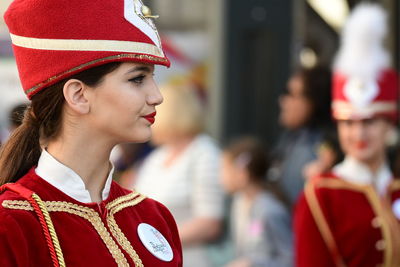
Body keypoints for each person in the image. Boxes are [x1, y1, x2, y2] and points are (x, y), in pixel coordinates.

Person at [0, 0, 183, 266]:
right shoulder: (13, 225)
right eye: (137, 79)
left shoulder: (153, 216)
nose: (156, 96)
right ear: (78, 95)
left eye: (152, 78)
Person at [294, 4, 400, 267]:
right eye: (348, 123)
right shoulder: (322, 194)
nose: (358, 133)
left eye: (369, 122)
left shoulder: (396, 189)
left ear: (389, 125)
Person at [135, 81, 225, 267]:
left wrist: (156, 242)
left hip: (191, 259)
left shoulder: (204, 153)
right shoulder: (158, 156)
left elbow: (210, 222)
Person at [221, 137, 293, 267]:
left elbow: (290, 259)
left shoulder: (269, 209)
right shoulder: (238, 202)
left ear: (242, 173)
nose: (221, 176)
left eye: (225, 169)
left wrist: (253, 264)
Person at [269, 64, 333, 206]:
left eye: (291, 94)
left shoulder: (321, 146)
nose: (283, 101)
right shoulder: (291, 137)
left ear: (313, 102)